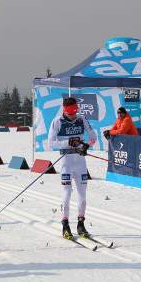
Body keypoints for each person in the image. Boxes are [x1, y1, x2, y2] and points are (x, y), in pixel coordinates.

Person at [48, 97, 97, 240]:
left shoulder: (82, 119)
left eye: (75, 112)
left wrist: (86, 145)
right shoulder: (57, 121)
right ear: (64, 110)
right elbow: (51, 142)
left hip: (80, 162)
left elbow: (93, 137)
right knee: (67, 193)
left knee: (82, 195)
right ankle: (65, 224)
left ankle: (81, 224)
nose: (73, 115)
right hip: (66, 163)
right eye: (70, 113)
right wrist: (67, 142)